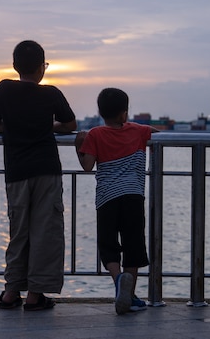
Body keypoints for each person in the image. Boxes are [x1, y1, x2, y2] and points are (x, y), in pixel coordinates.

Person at [0, 40, 77, 311]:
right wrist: (49, 126)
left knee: (19, 230)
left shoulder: (3, 88)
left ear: (14, 66)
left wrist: (14, 127)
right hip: (46, 169)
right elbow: (70, 124)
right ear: (41, 68)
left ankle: (11, 291)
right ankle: (35, 295)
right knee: (45, 231)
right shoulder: (51, 93)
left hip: (16, 171)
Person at [74, 87, 159, 315]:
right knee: (133, 245)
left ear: (101, 113)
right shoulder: (139, 131)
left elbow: (87, 165)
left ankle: (118, 280)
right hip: (133, 196)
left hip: (106, 199)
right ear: (125, 113)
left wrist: (78, 147)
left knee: (109, 245)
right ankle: (130, 295)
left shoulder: (94, 135)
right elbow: (157, 133)